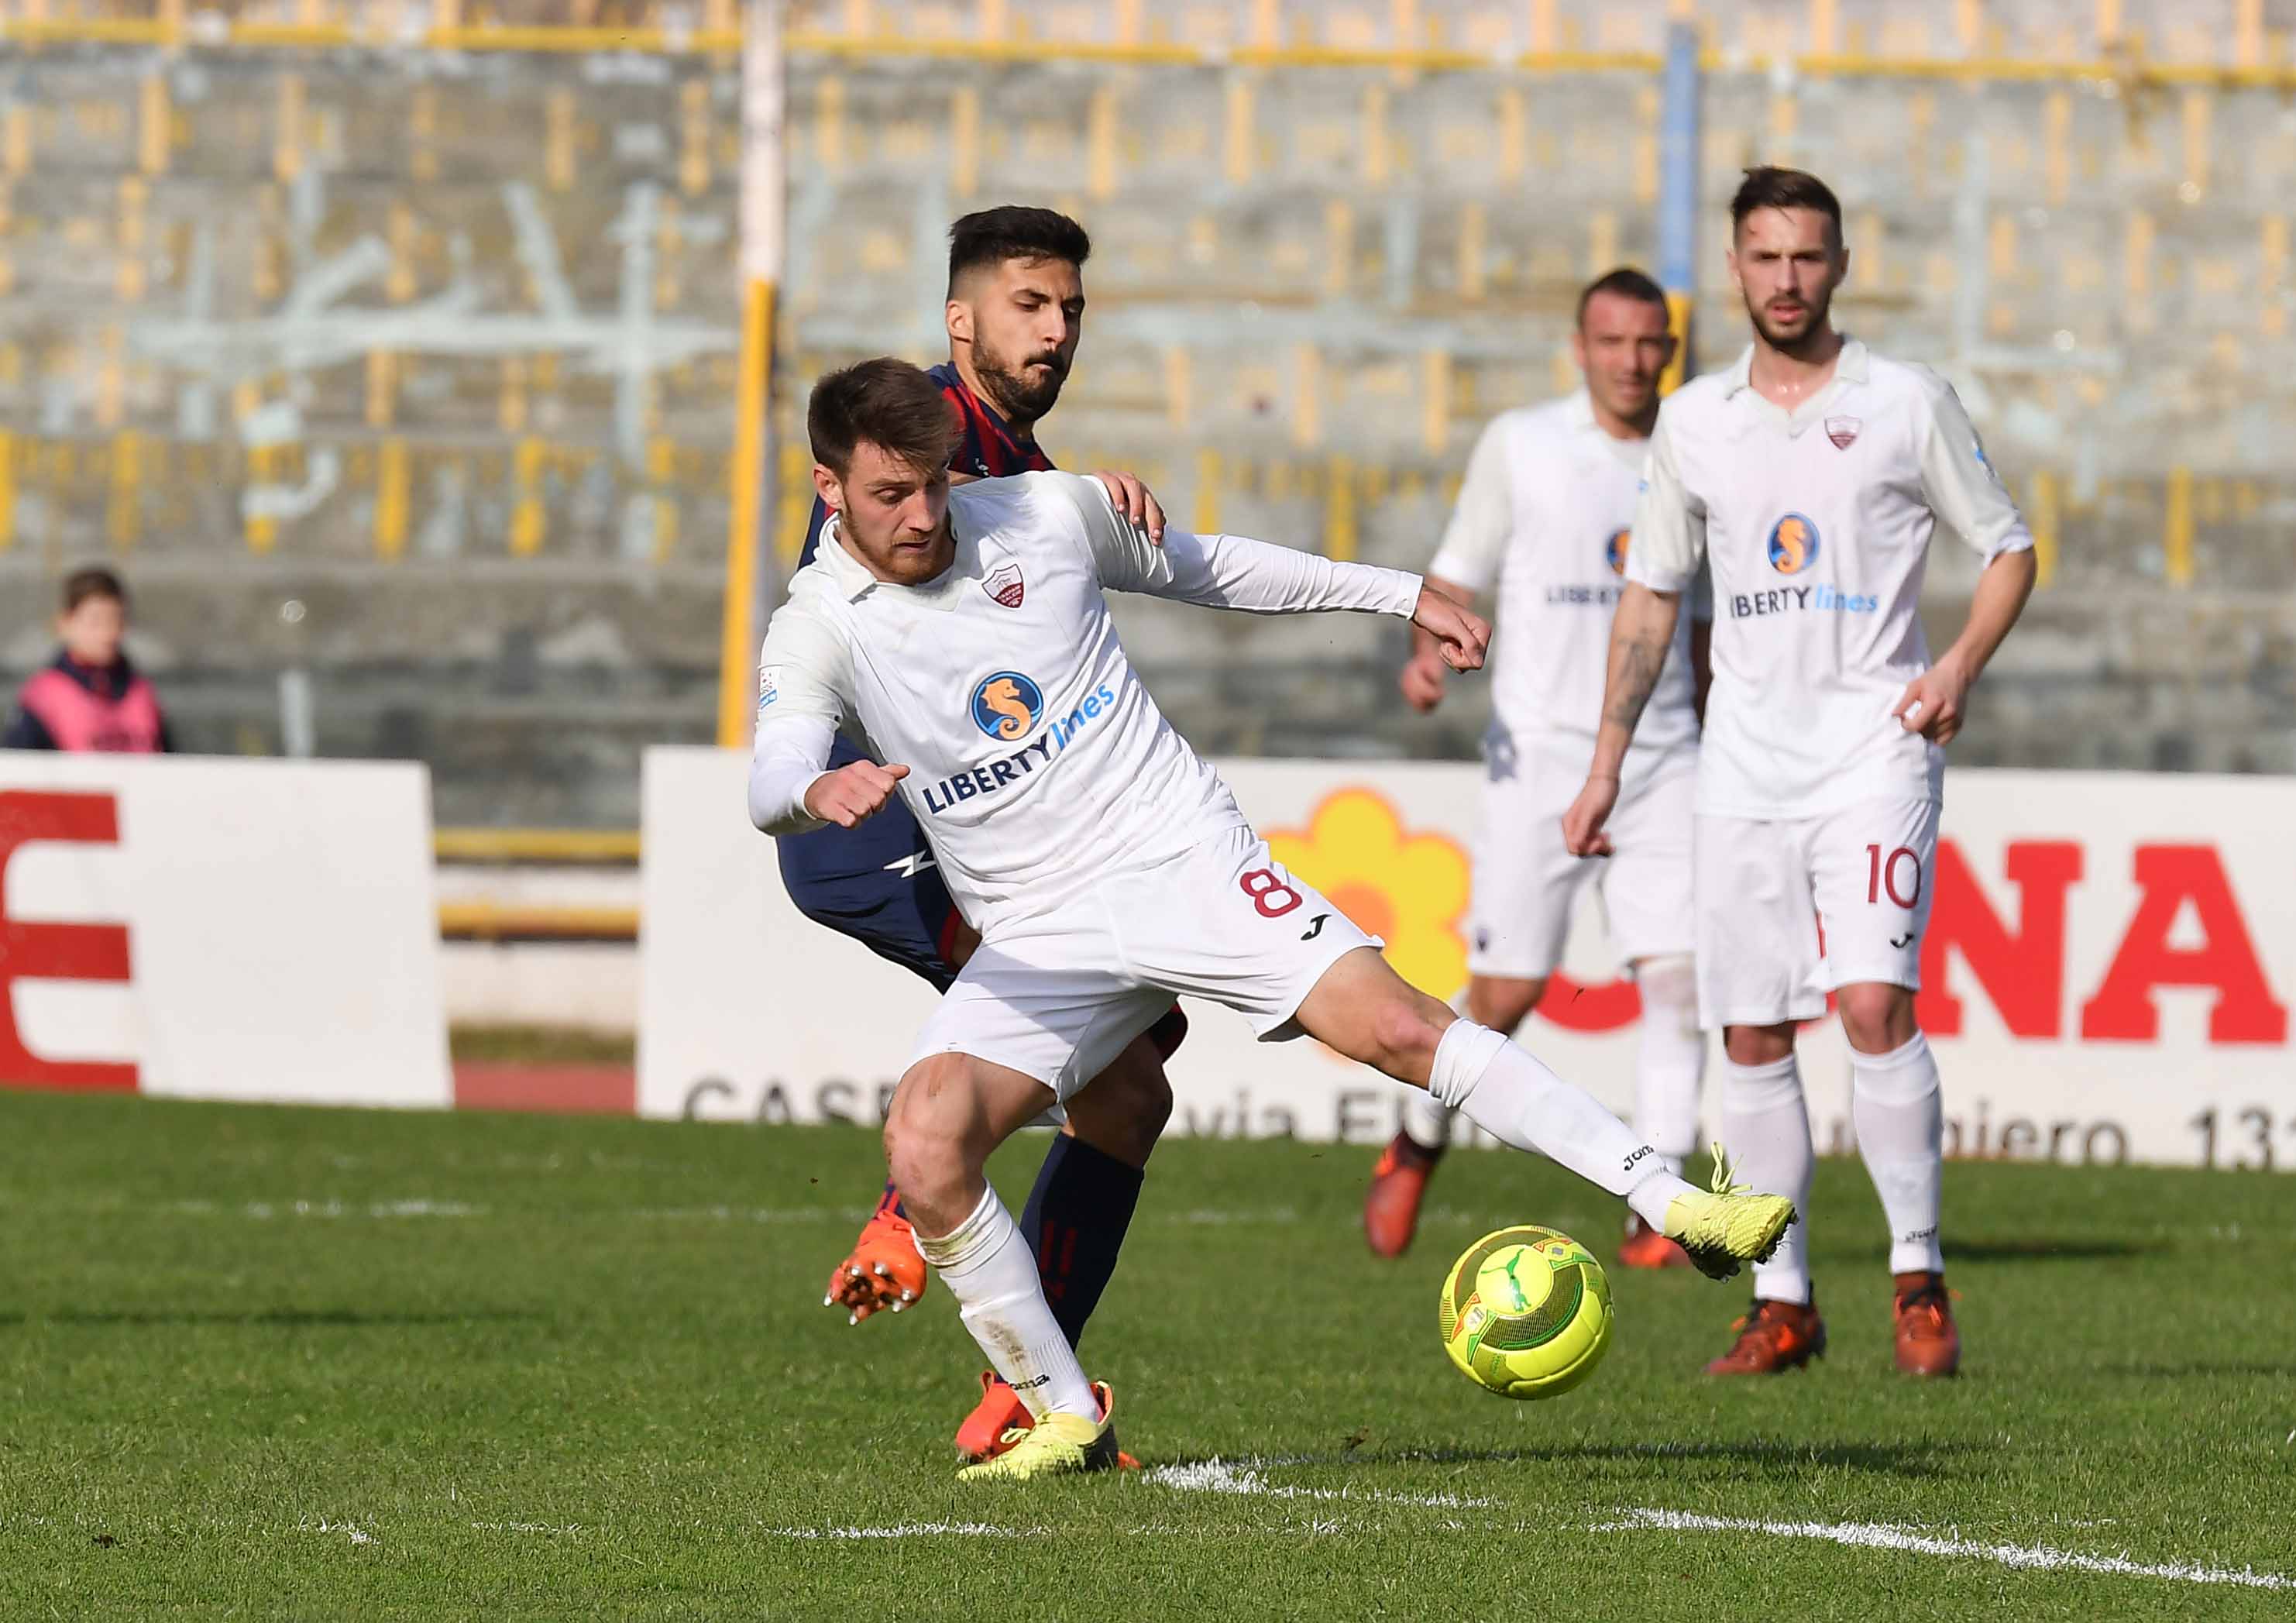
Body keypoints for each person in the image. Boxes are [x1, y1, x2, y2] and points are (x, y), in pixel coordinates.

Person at [749, 359, 1798, 1479]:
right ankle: (1064, 1413)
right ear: (828, 488)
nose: (920, 517)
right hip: (1040, 929)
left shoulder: (1045, 514)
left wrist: (1399, 593)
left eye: (931, 487)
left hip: (1177, 857)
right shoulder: (819, 623)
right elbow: (771, 772)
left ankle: (1677, 1200)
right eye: (887, 497)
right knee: (922, 1139)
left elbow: (1213, 569)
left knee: (1396, 1027)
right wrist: (815, 793)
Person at [1562, 167, 2039, 1378]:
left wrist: (1960, 668)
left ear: (1839, 265)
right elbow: (1651, 595)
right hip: (1740, 769)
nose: (1785, 280)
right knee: (1750, 1033)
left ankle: (1917, 1274)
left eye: (1807, 258)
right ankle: (1785, 1302)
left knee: (1871, 1006)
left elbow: (2008, 549)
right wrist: (1606, 763)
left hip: (1876, 748)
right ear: (1733, 268)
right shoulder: (1695, 422)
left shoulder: (1902, 401)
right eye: (1764, 257)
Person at [782, 206, 1183, 1468]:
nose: (1055, 328)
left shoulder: (998, 453)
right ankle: (910, 1212)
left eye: (1068, 306)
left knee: (1127, 1084)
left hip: (914, 822)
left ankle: (1031, 1390)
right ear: (961, 320)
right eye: (1027, 303)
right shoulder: (930, 432)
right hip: (881, 815)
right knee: (1102, 1036)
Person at [1366, 268, 1710, 1271]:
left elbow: (1704, 613)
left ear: (1669, 352)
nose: (1633, 361)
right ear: (1580, 347)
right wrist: (1429, 650)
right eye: (1613, 341)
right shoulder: (1523, 444)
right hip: (1538, 758)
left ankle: (1661, 1206)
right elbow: (1457, 571)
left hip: (1664, 756)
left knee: (1678, 985)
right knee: (1505, 993)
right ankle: (1417, 1143)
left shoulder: (1696, 452)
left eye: (1651, 343)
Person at [5, 567, 174, 753]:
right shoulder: (42, 699)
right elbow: (18, 771)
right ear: (65, 624)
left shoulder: (142, 693)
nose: (108, 634)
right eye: (96, 622)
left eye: (116, 621)